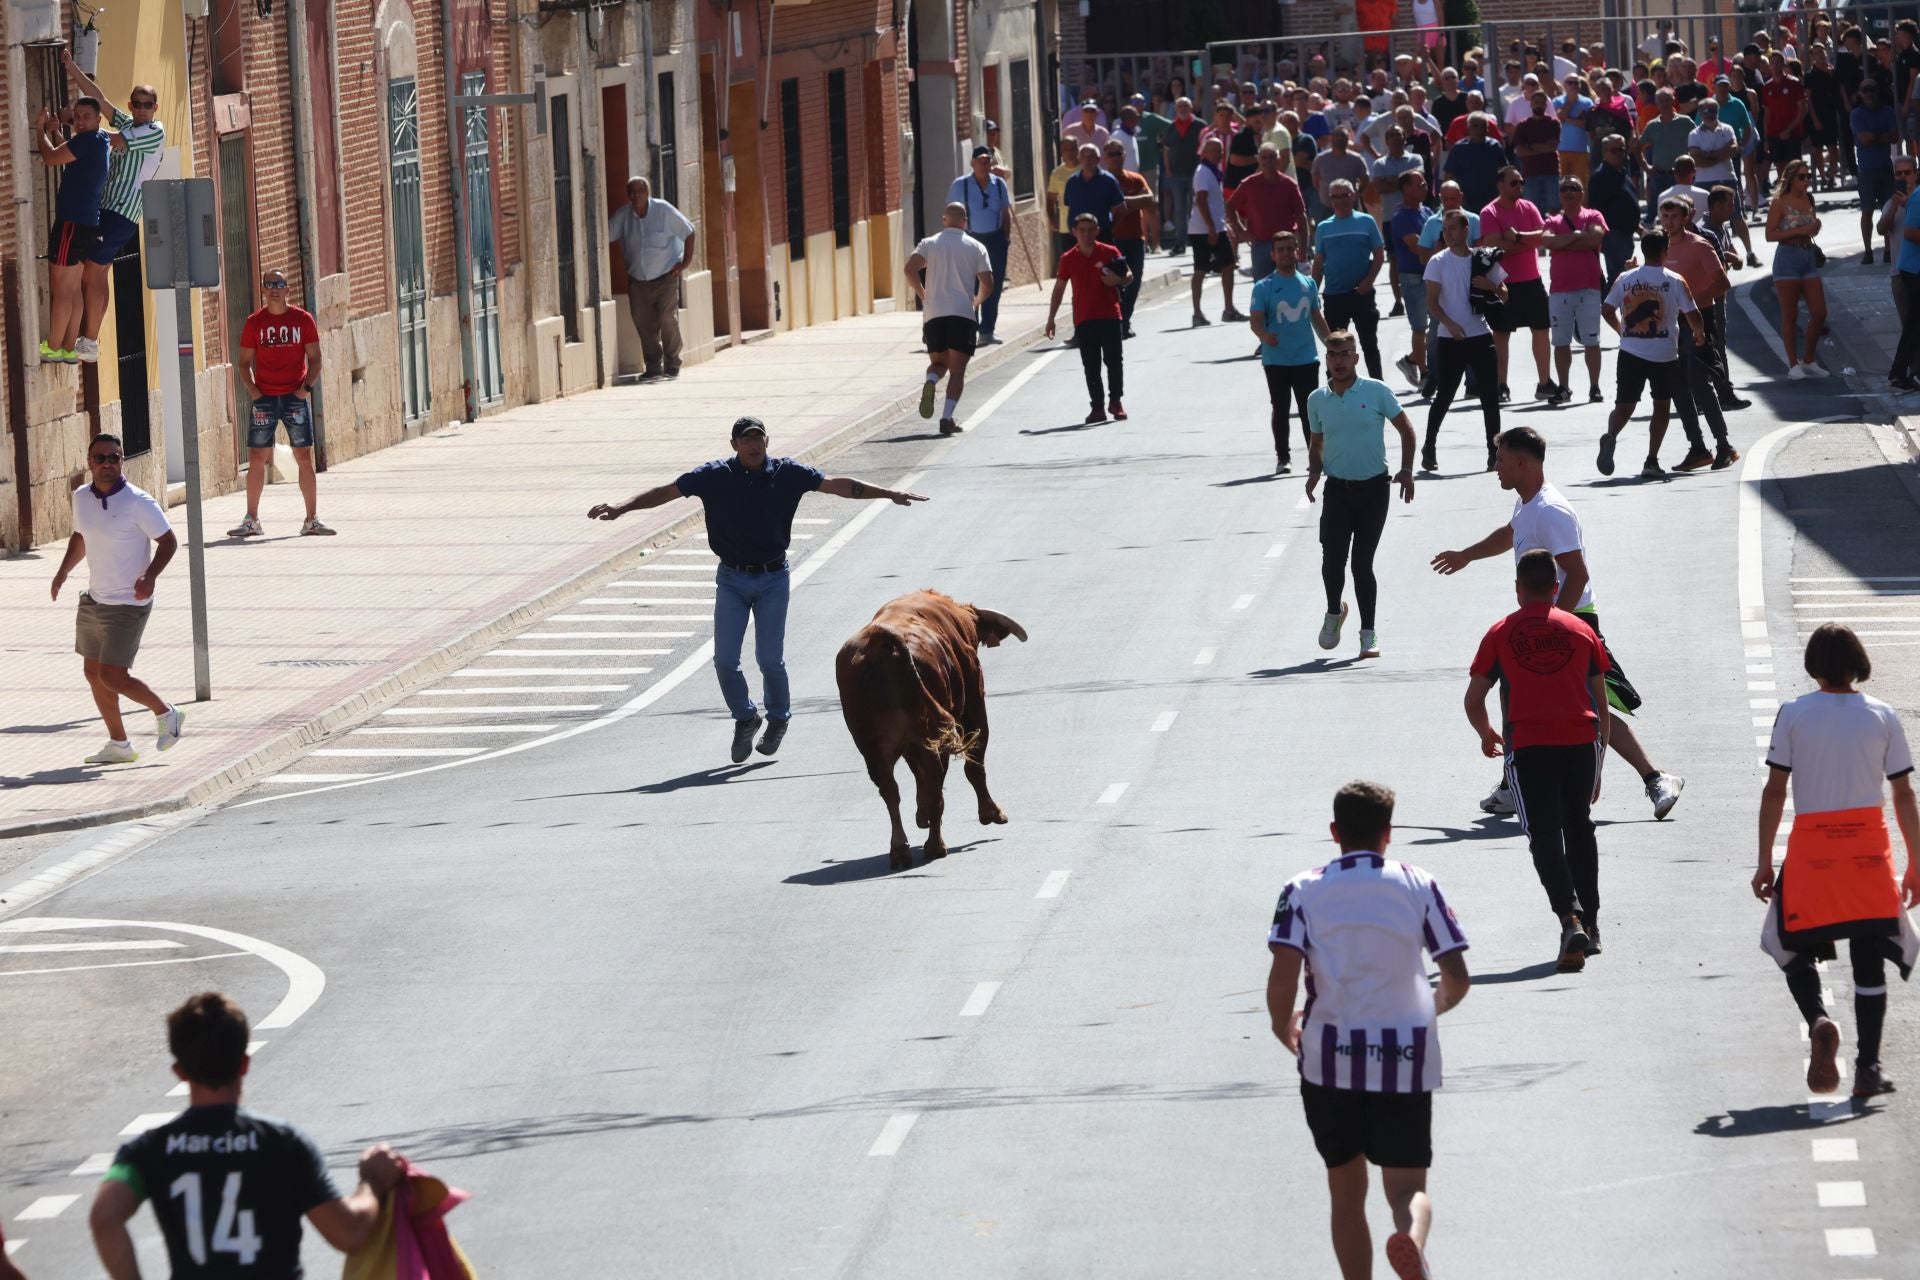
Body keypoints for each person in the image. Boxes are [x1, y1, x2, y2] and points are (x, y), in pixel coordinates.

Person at [587, 418, 927, 762]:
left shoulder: (787, 473)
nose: (753, 445)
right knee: (724, 661)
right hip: (732, 579)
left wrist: (888, 493)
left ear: (767, 441)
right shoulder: (713, 475)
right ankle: (746, 717)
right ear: (734, 445)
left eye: (758, 438)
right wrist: (623, 506)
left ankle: (778, 718)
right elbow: (667, 492)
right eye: (746, 440)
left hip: (773, 579)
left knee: (769, 659)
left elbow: (838, 485)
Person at [1266, 779, 1471, 1280]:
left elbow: (1283, 976)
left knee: (1345, 1192)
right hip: (1404, 1058)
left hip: (1327, 1060)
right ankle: (1411, 1239)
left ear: (1335, 832)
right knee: (1407, 1189)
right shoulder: (1419, 884)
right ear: (1389, 833)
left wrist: (1281, 1026)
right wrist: (1428, 1009)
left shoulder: (1302, 890)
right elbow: (1457, 978)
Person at [1431, 426, 1686, 822]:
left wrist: (1556, 625)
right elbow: (1509, 534)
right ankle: (1511, 785)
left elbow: (1578, 574)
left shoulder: (1552, 511)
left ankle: (1656, 778)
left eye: (1499, 461)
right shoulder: (1528, 504)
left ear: (1522, 462)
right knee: (1515, 695)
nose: (1494, 467)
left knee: (1589, 706)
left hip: (1572, 620)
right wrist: (1467, 555)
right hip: (1551, 620)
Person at [89, 993, 408, 1277]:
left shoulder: (147, 1152)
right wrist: (372, 1182)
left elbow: (104, 1218)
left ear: (180, 1072)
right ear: (244, 1064)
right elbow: (348, 1233)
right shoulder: (285, 1145)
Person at [1756, 625, 1920, 1101]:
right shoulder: (1883, 715)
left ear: (1814, 666)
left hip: (1813, 851)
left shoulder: (1794, 714)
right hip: (1868, 851)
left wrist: (1765, 861)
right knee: (1870, 960)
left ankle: (1819, 1019)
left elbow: (1774, 790)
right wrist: (1914, 864)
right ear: (1858, 663)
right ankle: (1868, 1068)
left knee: (1785, 944)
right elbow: (1904, 794)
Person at [1465, 547, 1610, 971]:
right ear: (1555, 587)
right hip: (1580, 744)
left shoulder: (1500, 633)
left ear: (1517, 590)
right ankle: (1594, 927)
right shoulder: (1581, 630)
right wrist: (1598, 762)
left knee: (1544, 834)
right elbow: (1602, 707)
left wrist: (1486, 733)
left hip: (1529, 749)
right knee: (1579, 827)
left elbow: (1475, 698)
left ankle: (1570, 919)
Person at [50, 432, 185, 765]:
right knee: (93, 673)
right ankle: (119, 744)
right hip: (95, 601)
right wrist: (62, 572)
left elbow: (168, 542)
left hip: (129, 603)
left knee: (113, 676)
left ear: (121, 461)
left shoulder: (139, 501)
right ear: (89, 463)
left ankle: (167, 713)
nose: (108, 463)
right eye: (101, 458)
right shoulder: (81, 497)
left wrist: (150, 577)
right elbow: (80, 536)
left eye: (114, 457)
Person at [1305, 332, 1416, 660]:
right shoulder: (1317, 400)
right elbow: (1317, 441)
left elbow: (1406, 430)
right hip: (1337, 490)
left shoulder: (1376, 391)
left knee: (1361, 563)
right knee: (1332, 559)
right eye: (1332, 354)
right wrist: (1314, 472)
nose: (1338, 361)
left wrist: (1407, 470)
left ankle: (1368, 634)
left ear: (1356, 358)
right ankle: (1333, 612)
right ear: (1326, 359)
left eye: (1345, 354)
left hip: (1374, 489)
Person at [61, 50, 164, 365]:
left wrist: (76, 120)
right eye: (138, 104)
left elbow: (109, 140)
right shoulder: (130, 123)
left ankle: (89, 340)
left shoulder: (153, 132)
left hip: (120, 214)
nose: (143, 109)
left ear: (155, 108)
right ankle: (88, 338)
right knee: (97, 273)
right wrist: (71, 67)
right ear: (132, 105)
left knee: (92, 273)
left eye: (148, 104)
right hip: (105, 209)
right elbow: (99, 99)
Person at [1595, 229, 1718, 477]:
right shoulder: (1674, 280)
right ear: (1665, 251)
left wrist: (1622, 331)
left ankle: (1610, 436)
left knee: (1624, 405)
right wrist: (1699, 333)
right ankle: (1651, 460)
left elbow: (1607, 310)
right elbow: (1693, 313)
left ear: (1643, 250)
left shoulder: (1625, 278)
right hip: (1664, 355)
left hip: (1630, 353)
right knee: (1661, 406)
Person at [226, 270, 333, 539]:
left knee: (303, 457)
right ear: (263, 290)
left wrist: (304, 389)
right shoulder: (255, 323)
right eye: (269, 284)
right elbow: (243, 363)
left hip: (294, 398)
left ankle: (311, 520)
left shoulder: (302, 320)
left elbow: (316, 359)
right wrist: (253, 391)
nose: (274, 289)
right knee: (256, 457)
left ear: (288, 290)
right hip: (264, 398)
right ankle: (252, 520)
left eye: (279, 284)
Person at [1653, 198, 1741, 471]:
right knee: (1678, 386)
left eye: (1675, 216)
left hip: (1699, 320)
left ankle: (1724, 445)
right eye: (1665, 216)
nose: (1669, 222)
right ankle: (1698, 448)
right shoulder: (1658, 247)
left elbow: (1723, 283)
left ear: (1687, 216)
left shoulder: (1699, 245)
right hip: (1670, 324)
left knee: (1699, 383)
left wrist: (1690, 301)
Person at [1422, 209, 1504, 472]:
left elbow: (1505, 294)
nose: (1448, 234)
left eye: (1453, 228)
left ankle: (1494, 453)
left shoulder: (1482, 259)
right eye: (1444, 230)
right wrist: (1450, 324)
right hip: (1451, 339)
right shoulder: (1437, 262)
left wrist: (1489, 285)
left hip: (1480, 335)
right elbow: (1432, 304)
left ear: (1466, 229)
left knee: (1490, 397)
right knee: (1445, 394)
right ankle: (1429, 447)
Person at [35, 98, 115, 363]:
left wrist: (39, 130)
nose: (79, 121)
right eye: (77, 117)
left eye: (85, 117)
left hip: (71, 223)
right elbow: (71, 155)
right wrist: (56, 132)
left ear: (97, 119)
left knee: (62, 288)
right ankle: (69, 349)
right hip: (88, 224)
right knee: (74, 289)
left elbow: (50, 157)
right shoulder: (101, 140)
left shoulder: (87, 140)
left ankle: (52, 347)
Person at [903, 203, 993, 437]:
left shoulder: (929, 243)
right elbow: (988, 283)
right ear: (965, 221)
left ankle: (931, 382)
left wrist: (923, 294)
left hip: (934, 315)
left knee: (939, 363)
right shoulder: (976, 247)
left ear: (944, 220)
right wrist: (977, 301)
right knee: (957, 370)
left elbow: (909, 269)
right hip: (962, 314)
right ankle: (946, 417)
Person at [1249, 230, 1331, 474]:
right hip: (1276, 360)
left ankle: (1315, 457)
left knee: (1310, 410)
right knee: (1281, 408)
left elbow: (1316, 316)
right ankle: (1283, 458)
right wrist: (1265, 337)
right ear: (1273, 255)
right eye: (1280, 250)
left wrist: (1333, 345)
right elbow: (1255, 321)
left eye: (1289, 249)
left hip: (1307, 357)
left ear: (1298, 252)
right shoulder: (1264, 287)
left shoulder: (1308, 284)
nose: (1285, 254)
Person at [1047, 213, 1134, 423]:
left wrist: (1118, 280)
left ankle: (1116, 402)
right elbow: (1059, 288)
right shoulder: (1068, 258)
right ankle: (1097, 408)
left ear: (1097, 231)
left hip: (1110, 315)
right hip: (1084, 318)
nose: (1086, 234)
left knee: (1114, 361)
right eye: (1082, 230)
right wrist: (1051, 318)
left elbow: (1129, 275)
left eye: (1090, 230)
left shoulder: (1109, 251)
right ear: (1075, 232)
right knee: (1091, 365)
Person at [608, 176, 696, 381]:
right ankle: (654, 366)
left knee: (667, 319)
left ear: (648, 193)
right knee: (643, 322)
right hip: (638, 280)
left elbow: (689, 231)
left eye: (640, 191)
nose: (636, 195)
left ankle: (673, 362)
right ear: (628, 195)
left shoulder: (663, 210)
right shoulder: (624, 215)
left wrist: (684, 264)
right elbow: (606, 234)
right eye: (632, 191)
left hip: (666, 276)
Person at [1479, 166, 1553, 405]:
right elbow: (1495, 247)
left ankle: (1545, 383)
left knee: (1541, 330)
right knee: (1501, 334)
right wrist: (1527, 243)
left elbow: (1543, 236)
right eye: (1514, 183)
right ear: (1500, 185)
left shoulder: (1529, 207)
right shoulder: (1489, 212)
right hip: (1504, 283)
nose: (1519, 187)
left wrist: (1518, 237)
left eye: (1521, 182)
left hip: (1532, 280)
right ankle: (1501, 384)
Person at [1542, 176, 1608, 405]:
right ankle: (1564, 387)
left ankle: (1594, 386)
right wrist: (1576, 236)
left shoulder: (1593, 215)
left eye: (1574, 188)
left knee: (1592, 340)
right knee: (1560, 342)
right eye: (1564, 189)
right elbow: (1547, 242)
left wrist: (1564, 243)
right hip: (1560, 289)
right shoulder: (1552, 220)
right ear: (1559, 194)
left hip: (1588, 288)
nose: (1569, 192)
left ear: (1582, 193)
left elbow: (1596, 238)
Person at [1312, 180, 1386, 380]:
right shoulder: (1323, 228)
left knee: (1369, 344)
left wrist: (1369, 281)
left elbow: (1379, 254)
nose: (1340, 201)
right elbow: (1318, 263)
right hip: (1335, 296)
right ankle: (1334, 390)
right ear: (1330, 200)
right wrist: (1312, 293)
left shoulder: (1366, 221)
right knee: (1335, 348)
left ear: (1353, 196)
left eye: (1345, 195)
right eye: (1335, 196)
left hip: (1361, 293)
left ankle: (1378, 388)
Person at [1765, 159, 1831, 380]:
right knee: (1790, 315)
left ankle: (1809, 358)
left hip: (1807, 257)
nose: (1806, 181)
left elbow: (1810, 230)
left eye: (1809, 176)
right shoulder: (1780, 202)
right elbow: (1770, 235)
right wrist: (1802, 230)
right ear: (1791, 179)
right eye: (1802, 177)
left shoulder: (1809, 199)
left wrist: (1815, 228)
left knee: (1820, 312)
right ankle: (1793, 363)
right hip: (1787, 258)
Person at [947, 146, 1012, 343]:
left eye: (987, 161)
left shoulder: (999, 184)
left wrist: (1005, 239)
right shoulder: (960, 185)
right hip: (970, 239)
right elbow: (951, 214)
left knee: (993, 284)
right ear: (972, 163)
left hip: (995, 240)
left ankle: (987, 330)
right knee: (969, 286)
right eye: (980, 161)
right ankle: (970, 330)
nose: (984, 165)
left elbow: (1005, 213)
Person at [1228, 143, 1311, 283]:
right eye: (1264, 157)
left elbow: (1301, 216)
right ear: (1259, 160)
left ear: (1278, 159)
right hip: (1260, 244)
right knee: (1263, 289)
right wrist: (1241, 231)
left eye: (1272, 157)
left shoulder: (1289, 184)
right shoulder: (1249, 184)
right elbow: (1230, 206)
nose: (1268, 161)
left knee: (1289, 285)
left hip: (1286, 246)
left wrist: (1303, 246)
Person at [1101, 141, 1157, 337]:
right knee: (1115, 282)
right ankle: (1116, 321)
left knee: (1134, 282)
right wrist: (1132, 203)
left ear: (1125, 155)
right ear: (1104, 158)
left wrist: (1123, 203)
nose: (1115, 157)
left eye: (1118, 153)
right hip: (1113, 239)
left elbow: (1149, 200)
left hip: (1135, 238)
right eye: (1111, 154)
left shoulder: (1135, 179)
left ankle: (1125, 321)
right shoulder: (1103, 182)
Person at [1189, 137, 1242, 325]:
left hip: (1211, 227)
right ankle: (1203, 312)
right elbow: (1201, 200)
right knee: (1204, 269)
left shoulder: (1212, 171)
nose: (1218, 154)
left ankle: (1225, 309)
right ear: (1204, 152)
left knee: (1223, 266)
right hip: (1205, 229)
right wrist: (1211, 228)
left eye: (1220, 151)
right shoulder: (1203, 172)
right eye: (1213, 151)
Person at [1389, 172, 1432, 391]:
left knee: (1436, 325)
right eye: (1419, 184)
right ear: (1406, 189)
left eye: (1424, 183)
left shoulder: (1427, 211)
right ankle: (1425, 373)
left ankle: (1412, 360)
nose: (1425, 186)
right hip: (1413, 277)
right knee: (1420, 327)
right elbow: (1417, 246)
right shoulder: (1401, 218)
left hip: (1431, 275)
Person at [1852, 79, 1900, 266]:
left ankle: (1889, 249)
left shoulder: (1888, 111)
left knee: (1889, 211)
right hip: (1866, 169)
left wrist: (1875, 136)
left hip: (1885, 168)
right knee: (1867, 211)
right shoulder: (1856, 114)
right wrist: (1881, 136)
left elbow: (1895, 136)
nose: (1869, 93)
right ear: (1860, 93)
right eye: (1865, 90)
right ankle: (1868, 250)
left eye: (1872, 89)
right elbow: (1864, 139)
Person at [1589, 134, 1643, 287]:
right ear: (1604, 152)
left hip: (1626, 235)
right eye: (1614, 150)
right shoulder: (1600, 177)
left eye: (1622, 149)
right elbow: (1595, 210)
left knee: (1623, 277)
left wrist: (1638, 228)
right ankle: (1609, 308)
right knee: (1619, 279)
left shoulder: (1621, 171)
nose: (1620, 154)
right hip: (1613, 236)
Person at [1638, 88, 1696, 225]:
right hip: (1659, 175)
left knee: (1684, 210)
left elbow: (1697, 140)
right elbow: (1637, 148)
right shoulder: (1652, 125)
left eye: (1667, 100)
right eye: (1661, 101)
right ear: (1657, 103)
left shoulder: (1685, 122)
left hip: (1681, 175)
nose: (1664, 103)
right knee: (1655, 210)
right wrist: (1646, 167)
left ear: (1673, 101)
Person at [1889, 158, 1920, 392]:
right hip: (1913, 269)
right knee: (1913, 325)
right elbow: (1909, 232)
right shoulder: (1919, 197)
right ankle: (1900, 373)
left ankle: (1899, 373)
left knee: (1913, 325)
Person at [1442, 112, 1506, 216]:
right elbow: (1449, 176)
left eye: (1483, 126)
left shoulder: (1495, 146)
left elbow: (1505, 171)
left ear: (1488, 128)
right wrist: (1454, 198)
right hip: (1466, 201)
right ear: (1468, 127)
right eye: (1475, 126)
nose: (1479, 129)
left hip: (1492, 199)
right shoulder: (1459, 148)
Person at [1512, 90, 1563, 214]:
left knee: (1554, 207)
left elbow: (1552, 147)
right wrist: (1542, 148)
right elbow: (1519, 151)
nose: (1538, 105)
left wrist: (1530, 146)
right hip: (1530, 173)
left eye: (1542, 103)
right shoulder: (1522, 125)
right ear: (1531, 104)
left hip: (1550, 172)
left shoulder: (1553, 123)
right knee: (1531, 209)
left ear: (1546, 105)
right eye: (1536, 102)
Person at [1162, 97, 1203, 253]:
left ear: (1191, 108)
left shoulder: (1200, 125)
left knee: (1198, 207)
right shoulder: (1172, 127)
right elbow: (1166, 150)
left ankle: (1200, 240)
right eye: (1180, 106)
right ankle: (1180, 243)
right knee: (1180, 209)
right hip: (1177, 174)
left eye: (1186, 105)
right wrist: (1168, 169)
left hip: (1196, 174)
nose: (1183, 108)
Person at [1045, 137, 1079, 263]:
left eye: (1072, 149)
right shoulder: (1056, 174)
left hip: (1087, 228)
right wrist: (1052, 219)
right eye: (1066, 150)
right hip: (1067, 228)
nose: (1069, 153)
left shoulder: (1086, 169)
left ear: (1077, 150)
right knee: (1072, 265)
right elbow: (1050, 199)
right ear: (1061, 152)